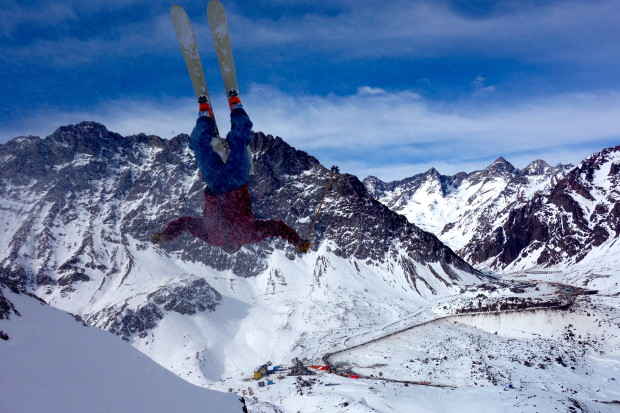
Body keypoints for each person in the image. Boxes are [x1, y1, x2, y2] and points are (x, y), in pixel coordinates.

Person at [150, 91, 311, 254]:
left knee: (238, 140)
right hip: (221, 182)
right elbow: (185, 224)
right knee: (200, 144)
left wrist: (297, 242)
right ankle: (207, 115)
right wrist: (164, 236)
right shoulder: (222, 238)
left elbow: (277, 227)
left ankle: (234, 108)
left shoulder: (246, 236)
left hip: (230, 182)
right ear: (235, 247)